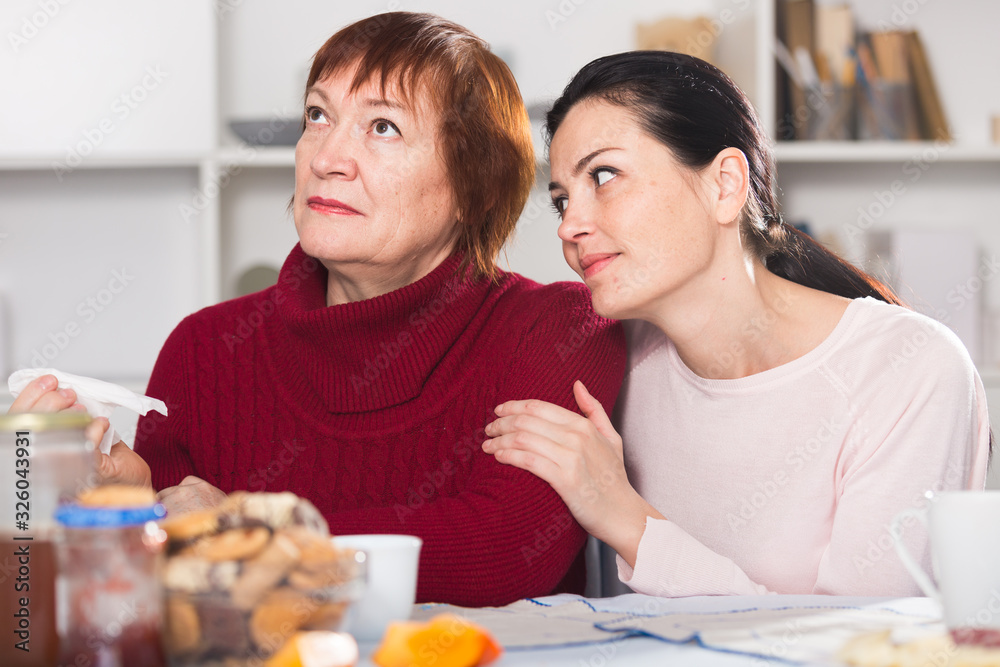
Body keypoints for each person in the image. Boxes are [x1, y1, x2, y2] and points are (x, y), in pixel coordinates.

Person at [10, 12, 626, 607]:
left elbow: (504, 550)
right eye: (317, 115)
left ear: (476, 186)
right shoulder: (203, 350)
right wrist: (121, 514)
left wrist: (249, 529)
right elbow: (174, 598)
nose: (327, 157)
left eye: (383, 126)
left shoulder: (556, 329)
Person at [482, 50, 990, 597]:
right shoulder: (609, 361)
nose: (570, 227)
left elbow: (859, 636)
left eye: (604, 176)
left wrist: (625, 518)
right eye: (561, 202)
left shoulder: (909, 369)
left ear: (724, 184)